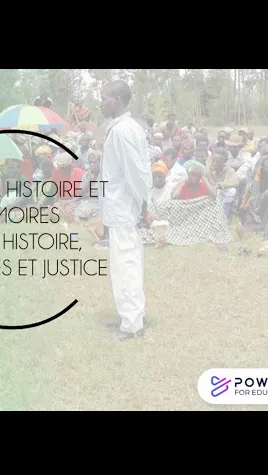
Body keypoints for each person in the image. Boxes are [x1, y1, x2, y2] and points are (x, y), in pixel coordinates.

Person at [100, 80, 152, 340]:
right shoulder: (122, 128)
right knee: (123, 265)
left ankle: (132, 324)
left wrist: (143, 205)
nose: (101, 103)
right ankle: (130, 315)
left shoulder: (123, 131)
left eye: (104, 98)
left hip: (124, 208)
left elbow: (135, 173)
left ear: (117, 100)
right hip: (117, 208)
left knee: (126, 265)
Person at [238, 153, 268, 235]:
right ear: (261, 167)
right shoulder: (250, 181)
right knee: (249, 223)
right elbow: (244, 201)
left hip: (266, 210)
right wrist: (253, 214)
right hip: (249, 210)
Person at [205, 147, 239, 217]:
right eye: (213, 161)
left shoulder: (229, 170)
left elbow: (235, 181)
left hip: (223, 196)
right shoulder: (208, 169)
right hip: (209, 194)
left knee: (232, 191)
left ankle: (223, 216)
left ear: (224, 161)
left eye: (218, 162)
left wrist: (218, 186)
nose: (214, 163)